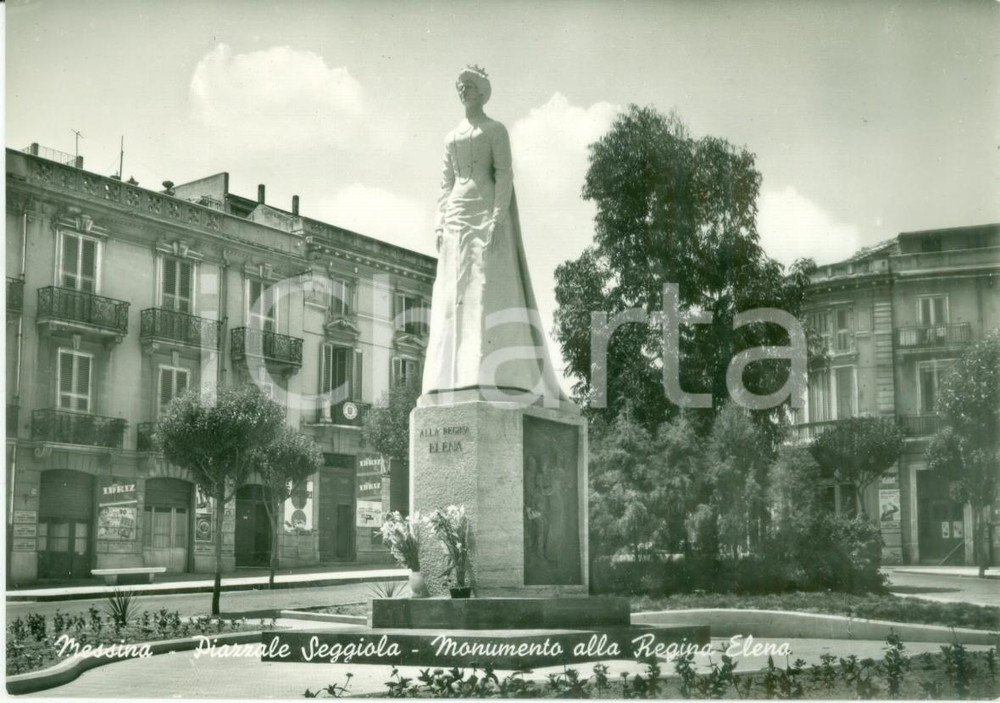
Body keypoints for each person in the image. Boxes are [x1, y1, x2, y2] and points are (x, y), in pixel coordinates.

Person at [421, 65, 566, 406]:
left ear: (483, 92)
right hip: (456, 213)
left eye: (470, 85)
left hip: (484, 209)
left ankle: (489, 372)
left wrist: (498, 217)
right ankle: (453, 376)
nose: (464, 90)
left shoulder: (495, 130)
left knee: (485, 289)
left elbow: (504, 175)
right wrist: (439, 222)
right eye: (460, 85)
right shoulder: (451, 136)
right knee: (453, 292)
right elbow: (445, 183)